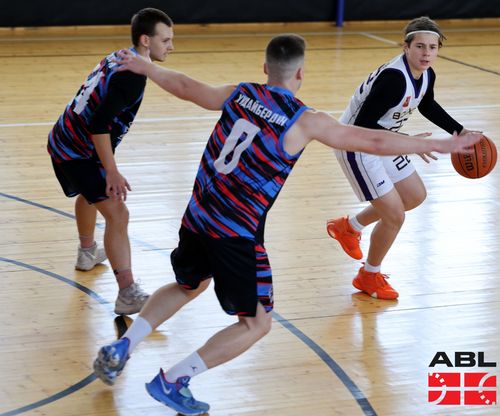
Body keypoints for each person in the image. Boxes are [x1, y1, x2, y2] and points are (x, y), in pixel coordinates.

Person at [92, 34, 479, 415]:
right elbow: (371, 142)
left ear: (266, 68)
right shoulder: (305, 121)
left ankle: (123, 346)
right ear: (301, 74)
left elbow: (187, 87)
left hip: (197, 216)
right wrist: (437, 144)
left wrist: (146, 67)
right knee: (256, 324)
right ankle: (174, 380)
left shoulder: (240, 93)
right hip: (235, 232)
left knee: (188, 284)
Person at [327, 16, 479, 300]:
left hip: (382, 139)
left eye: (432, 47)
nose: (426, 53)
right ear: (406, 47)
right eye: (420, 46)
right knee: (394, 215)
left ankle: (349, 227)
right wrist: (409, 143)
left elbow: (427, 104)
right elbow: (362, 125)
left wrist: (459, 130)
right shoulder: (394, 79)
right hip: (355, 142)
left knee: (413, 196)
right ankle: (368, 275)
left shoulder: (426, 74)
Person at [47, 8, 174, 314]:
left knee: (91, 194)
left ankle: (87, 252)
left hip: (63, 138)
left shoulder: (121, 56)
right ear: (146, 40)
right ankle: (127, 293)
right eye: (166, 40)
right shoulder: (132, 77)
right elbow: (98, 125)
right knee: (118, 212)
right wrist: (112, 171)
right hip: (77, 150)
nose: (171, 46)